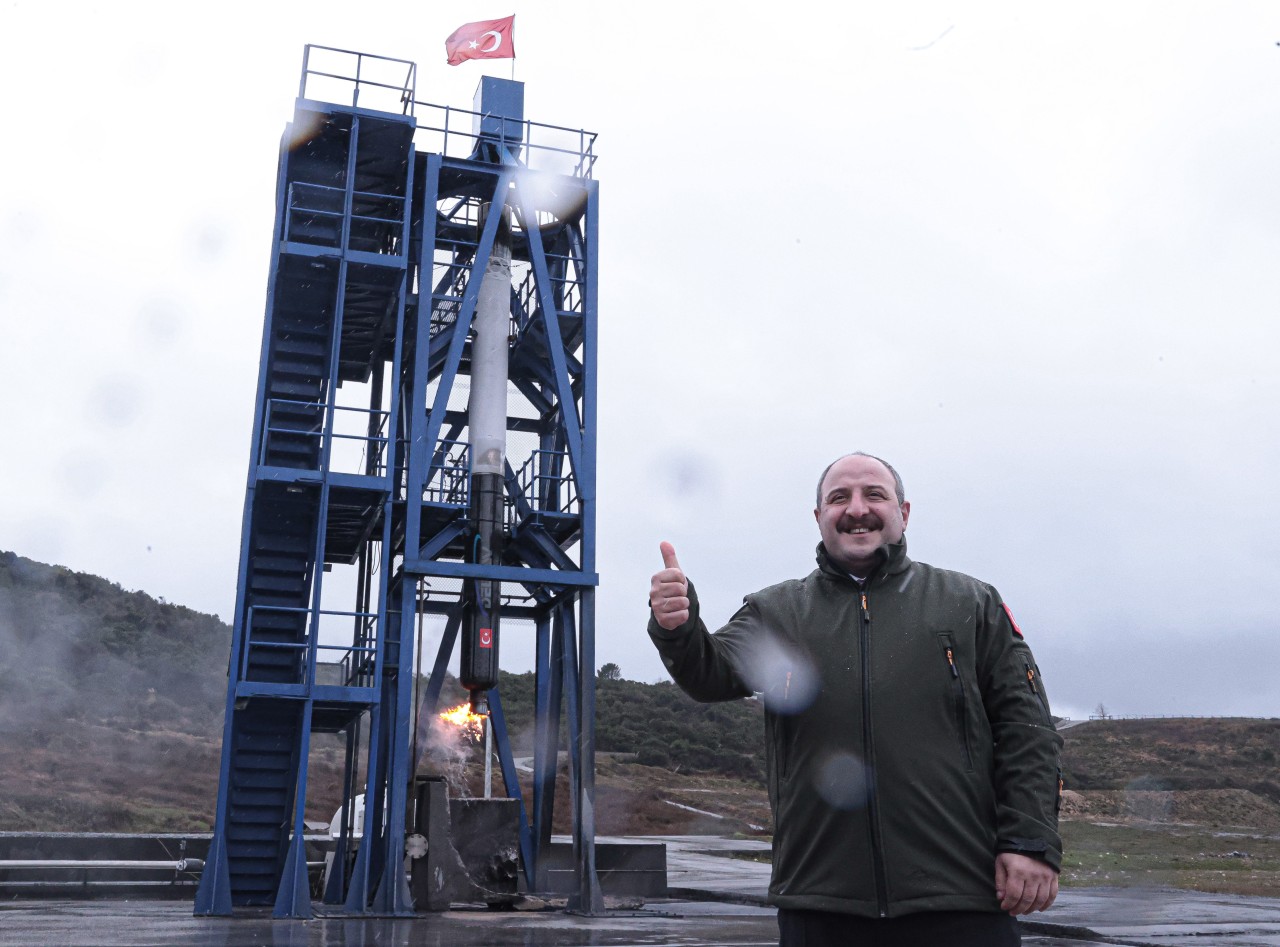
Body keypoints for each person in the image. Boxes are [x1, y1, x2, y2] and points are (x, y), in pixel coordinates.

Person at [648, 452, 1062, 947]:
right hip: (820, 904)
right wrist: (678, 628)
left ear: (903, 513)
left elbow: (1028, 731)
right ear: (819, 516)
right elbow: (709, 673)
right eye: (838, 498)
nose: (856, 508)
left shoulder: (971, 603)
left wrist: (1030, 844)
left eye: (874, 495)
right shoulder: (777, 611)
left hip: (962, 899)